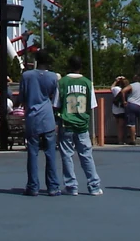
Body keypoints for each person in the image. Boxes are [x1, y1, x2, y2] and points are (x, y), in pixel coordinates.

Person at [57, 55, 102, 196]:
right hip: (82, 124)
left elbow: (56, 104)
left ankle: (71, 186)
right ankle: (94, 185)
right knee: (86, 155)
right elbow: (92, 105)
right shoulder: (88, 83)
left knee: (67, 155)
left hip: (67, 123)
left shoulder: (62, 82)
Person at [19, 49, 60, 197]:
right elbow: (55, 97)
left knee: (32, 152)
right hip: (47, 116)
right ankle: (53, 186)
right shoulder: (53, 77)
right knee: (50, 154)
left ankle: (33, 186)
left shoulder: (27, 76)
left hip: (32, 116)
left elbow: (22, 97)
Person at [125, 74, 140, 145]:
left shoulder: (132, 85)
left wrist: (124, 101)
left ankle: (132, 139)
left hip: (131, 104)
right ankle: (139, 135)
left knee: (131, 123)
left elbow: (123, 91)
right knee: (138, 122)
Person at [110, 77, 128, 144]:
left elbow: (111, 87)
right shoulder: (126, 90)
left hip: (115, 109)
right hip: (122, 110)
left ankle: (120, 139)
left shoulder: (116, 89)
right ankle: (121, 140)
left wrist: (116, 81)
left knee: (118, 126)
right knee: (121, 126)